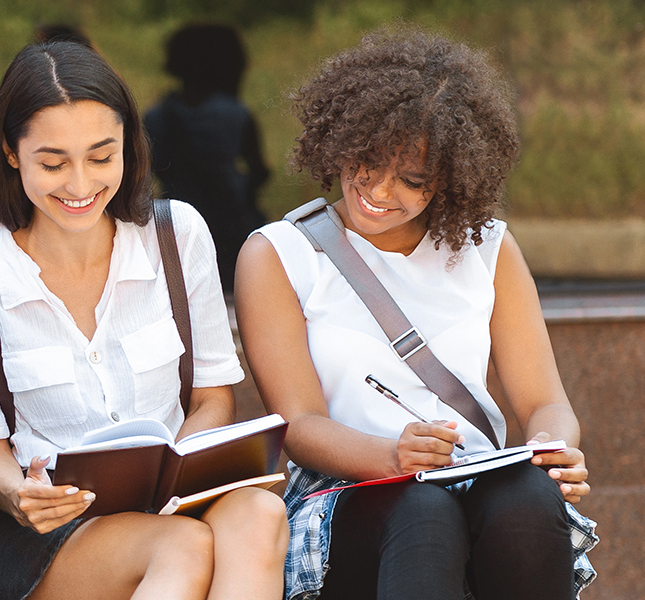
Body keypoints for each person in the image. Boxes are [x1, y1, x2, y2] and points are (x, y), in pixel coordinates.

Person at [236, 27, 597, 600]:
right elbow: (299, 425)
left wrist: (552, 451)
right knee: (422, 509)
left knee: (529, 501)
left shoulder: (489, 248)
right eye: (369, 162)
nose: (378, 190)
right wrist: (390, 456)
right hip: (346, 489)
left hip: (475, 474)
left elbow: (543, 402)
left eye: (412, 180)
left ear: (450, 181)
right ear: (342, 137)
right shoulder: (279, 254)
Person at [0, 41, 287, 600]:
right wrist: (20, 494)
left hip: (178, 501)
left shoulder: (177, 236)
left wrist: (176, 473)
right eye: (52, 162)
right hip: (56, 537)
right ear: (11, 152)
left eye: (101, 156)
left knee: (259, 512)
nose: (79, 184)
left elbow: (213, 398)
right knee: (183, 545)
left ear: (128, 145)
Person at [145, 23, 270, 292]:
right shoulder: (235, 114)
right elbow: (259, 171)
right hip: (235, 224)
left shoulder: (154, 118)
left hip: (175, 226)